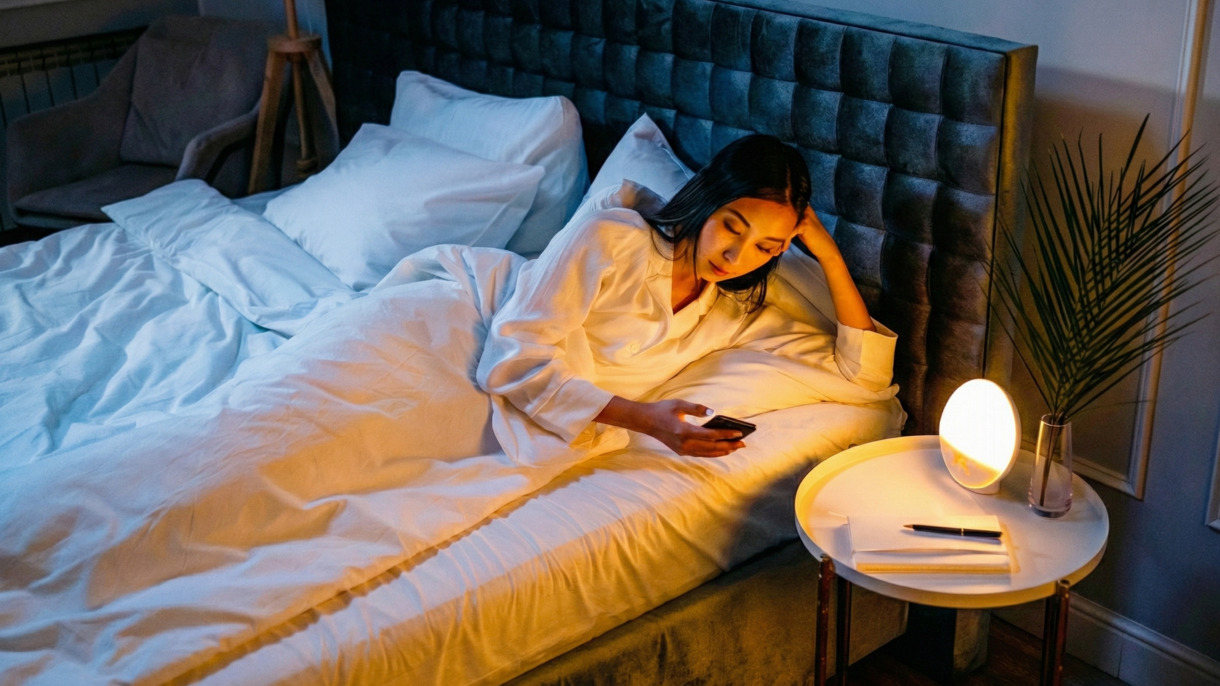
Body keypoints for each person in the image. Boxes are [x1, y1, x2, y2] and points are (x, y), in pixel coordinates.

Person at [477, 134, 888, 459]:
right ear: (707, 200)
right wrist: (643, 419)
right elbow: (513, 358)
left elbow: (866, 377)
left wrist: (829, 255)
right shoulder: (612, 238)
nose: (735, 257)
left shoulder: (732, 309)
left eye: (764, 247)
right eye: (732, 227)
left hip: (527, 412)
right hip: (467, 339)